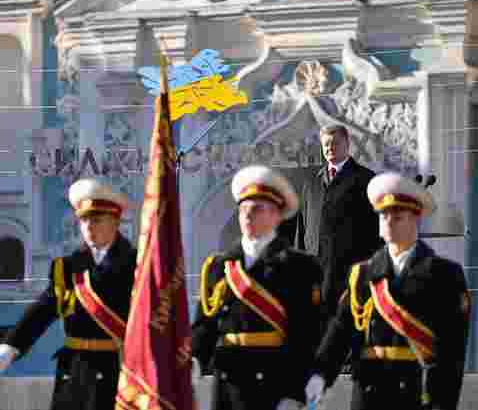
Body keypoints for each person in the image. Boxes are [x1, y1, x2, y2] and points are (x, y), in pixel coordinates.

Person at [305, 172, 470, 410]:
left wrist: (442, 404)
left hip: (417, 395)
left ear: (416, 219)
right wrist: (319, 377)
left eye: (398, 216)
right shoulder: (362, 275)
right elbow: (339, 334)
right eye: (384, 215)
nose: (389, 222)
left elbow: (452, 355)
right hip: (369, 396)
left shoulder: (445, 276)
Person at [0, 178, 137, 410]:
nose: (88, 227)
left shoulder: (137, 265)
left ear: (115, 221)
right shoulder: (68, 267)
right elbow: (42, 311)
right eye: (84, 220)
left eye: (96, 220)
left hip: (118, 371)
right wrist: (9, 348)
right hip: (74, 372)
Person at [192, 165, 323, 410]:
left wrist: (295, 393)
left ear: (276, 215)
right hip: (228, 388)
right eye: (243, 209)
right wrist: (194, 361)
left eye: (257, 209)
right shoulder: (218, 267)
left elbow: (306, 336)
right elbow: (205, 326)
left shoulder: (299, 267)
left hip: (274, 387)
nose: (248, 215)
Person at [297, 125, 381, 322]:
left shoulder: (365, 180)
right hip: (315, 275)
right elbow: (302, 229)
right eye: (326, 144)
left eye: (335, 143)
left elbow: (376, 231)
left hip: (348, 274)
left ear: (347, 144)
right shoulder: (310, 183)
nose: (330, 148)